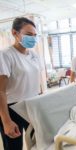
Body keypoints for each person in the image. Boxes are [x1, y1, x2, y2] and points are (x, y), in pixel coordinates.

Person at [0, 17, 42, 150]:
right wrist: (6, 121)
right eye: (29, 35)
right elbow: (0, 90)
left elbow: (35, 80)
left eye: (35, 35)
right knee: (14, 146)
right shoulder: (5, 55)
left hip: (32, 105)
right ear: (14, 33)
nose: (33, 38)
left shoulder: (34, 55)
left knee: (36, 141)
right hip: (12, 108)